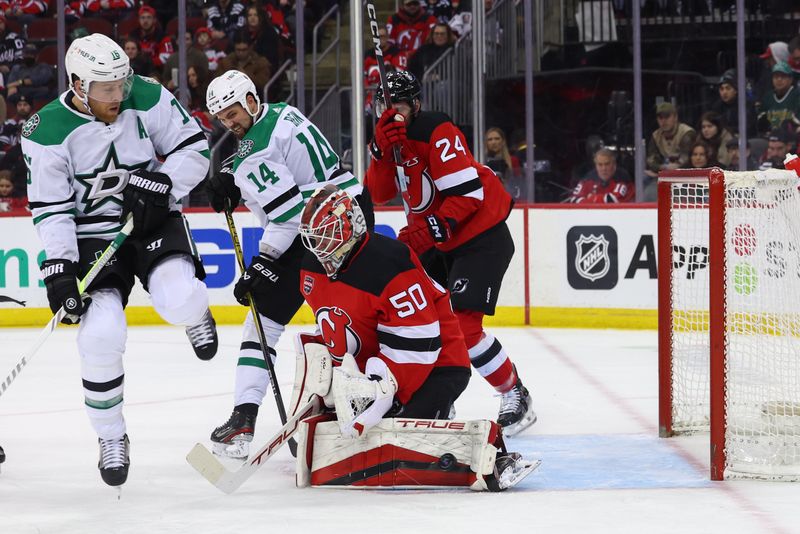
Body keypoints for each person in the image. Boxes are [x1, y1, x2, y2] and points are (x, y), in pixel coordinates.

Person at [22, 33, 218, 487]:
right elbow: (52, 209)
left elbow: (196, 148)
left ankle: (195, 314)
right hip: (92, 235)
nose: (118, 95)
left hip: (150, 219)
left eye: (121, 84)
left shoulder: (146, 94)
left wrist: (162, 182)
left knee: (179, 298)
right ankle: (112, 436)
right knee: (100, 334)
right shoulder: (45, 129)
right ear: (77, 84)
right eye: (106, 88)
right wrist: (59, 270)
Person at [203, 69, 373, 458]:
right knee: (350, 317)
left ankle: (243, 421)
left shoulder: (256, 149)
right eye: (222, 119)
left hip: (324, 227)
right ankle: (372, 400)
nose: (229, 123)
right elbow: (280, 168)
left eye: (232, 112)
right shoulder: (281, 112)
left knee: (263, 322)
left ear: (249, 100)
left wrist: (262, 264)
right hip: (352, 208)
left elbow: (287, 216)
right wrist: (231, 175)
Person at [365, 70, 536, 437]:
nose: (391, 112)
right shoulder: (384, 139)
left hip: (480, 234)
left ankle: (514, 393)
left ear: (416, 105)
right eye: (383, 105)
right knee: (418, 319)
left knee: (464, 326)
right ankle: (439, 397)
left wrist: (427, 230)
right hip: (439, 241)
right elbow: (378, 195)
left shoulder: (437, 130)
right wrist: (380, 152)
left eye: (398, 106)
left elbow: (469, 196)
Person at [298, 184, 471, 432]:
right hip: (373, 369)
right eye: (315, 238)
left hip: (437, 365)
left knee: (389, 436)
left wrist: (386, 392)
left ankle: (437, 405)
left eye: (327, 236)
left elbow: (421, 342)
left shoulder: (390, 263)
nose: (319, 247)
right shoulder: (311, 267)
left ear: (351, 226)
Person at [645, 102, 696, 178]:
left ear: (675, 117)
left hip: (686, 174)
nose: (664, 121)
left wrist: (663, 169)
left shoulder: (686, 133)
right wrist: (663, 168)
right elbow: (651, 161)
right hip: (663, 173)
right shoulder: (655, 136)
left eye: (667, 117)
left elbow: (686, 160)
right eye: (660, 118)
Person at [566, 148, 634, 203]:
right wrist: (599, 199)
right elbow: (574, 199)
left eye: (607, 164)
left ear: (614, 164)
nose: (603, 168)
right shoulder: (588, 178)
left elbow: (613, 200)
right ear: (595, 165)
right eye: (600, 165)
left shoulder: (622, 177)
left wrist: (591, 197)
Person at [215, 30, 270, 95]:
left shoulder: (260, 62)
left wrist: (246, 76)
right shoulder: (226, 62)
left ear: (250, 47)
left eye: (244, 50)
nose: (241, 53)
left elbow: (264, 84)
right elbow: (216, 83)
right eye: (238, 50)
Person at [757, 62, 800, 135]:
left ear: (790, 79)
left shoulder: (797, 95)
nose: (779, 80)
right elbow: (760, 122)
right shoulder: (768, 97)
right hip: (771, 138)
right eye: (776, 76)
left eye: (783, 76)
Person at [710, 69, 756, 137]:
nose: (724, 92)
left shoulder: (746, 105)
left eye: (728, 88)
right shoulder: (717, 106)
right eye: (721, 89)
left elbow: (748, 129)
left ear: (736, 90)